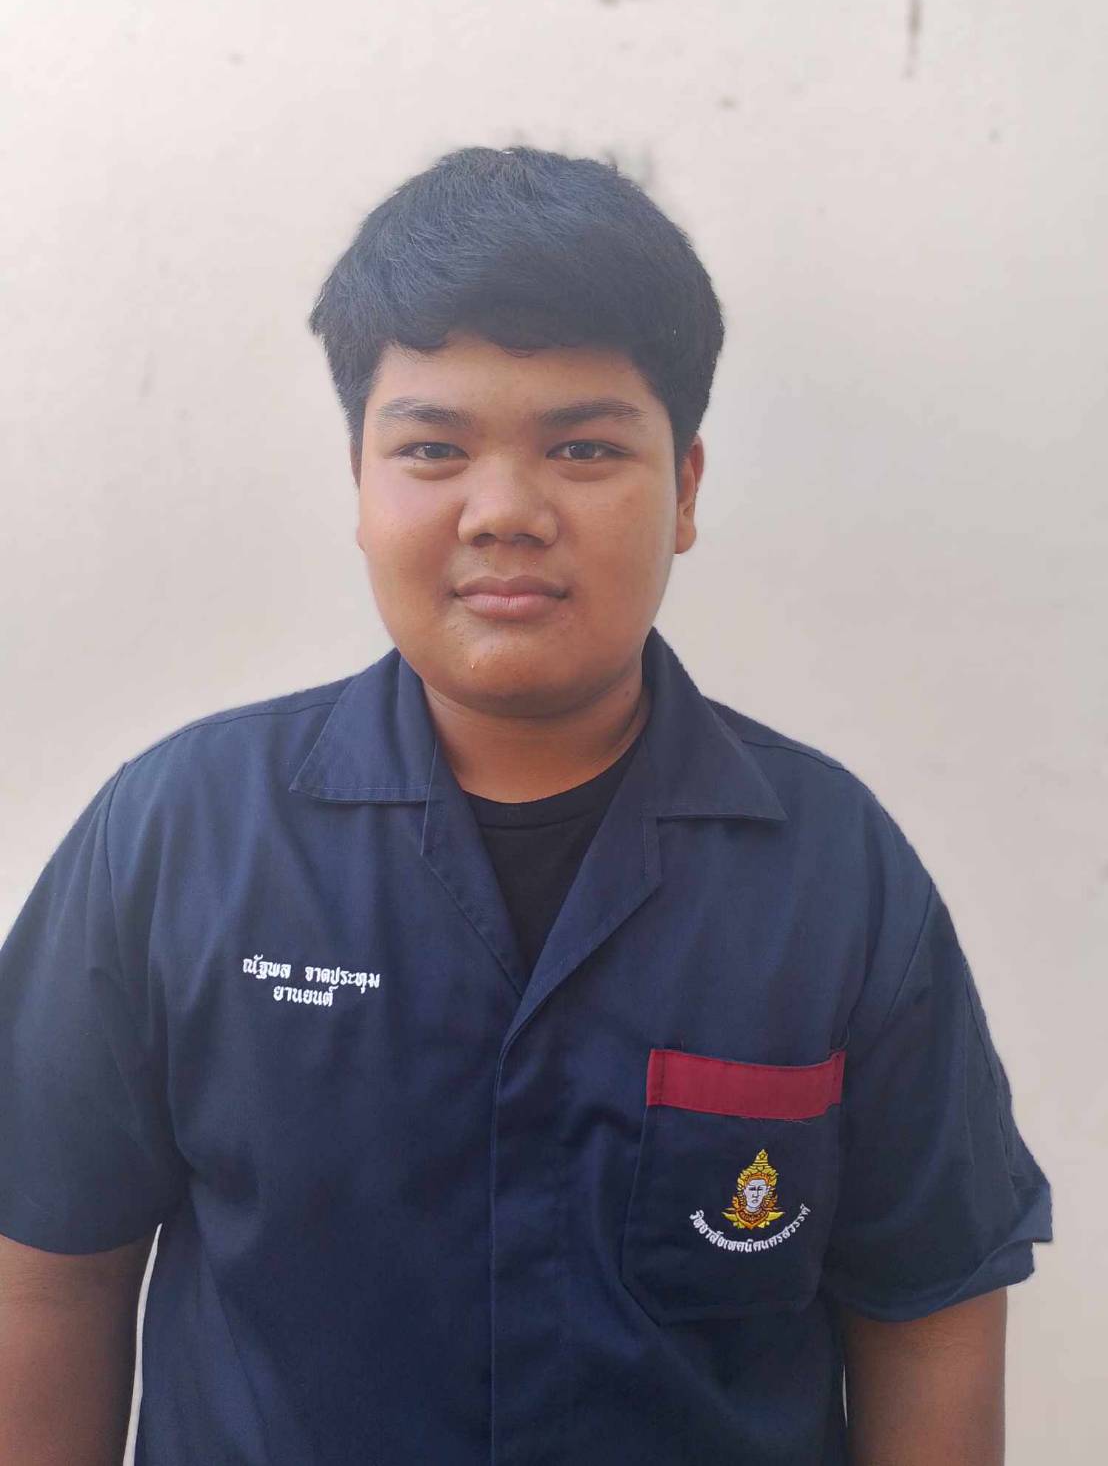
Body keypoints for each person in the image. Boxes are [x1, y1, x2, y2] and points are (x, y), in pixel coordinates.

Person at [0, 145, 1052, 1465]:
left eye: (584, 446)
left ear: (685, 489)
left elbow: (929, 1313)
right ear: (359, 480)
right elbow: (49, 1276)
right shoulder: (175, 839)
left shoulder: (838, 875)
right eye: (433, 448)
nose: (504, 511)